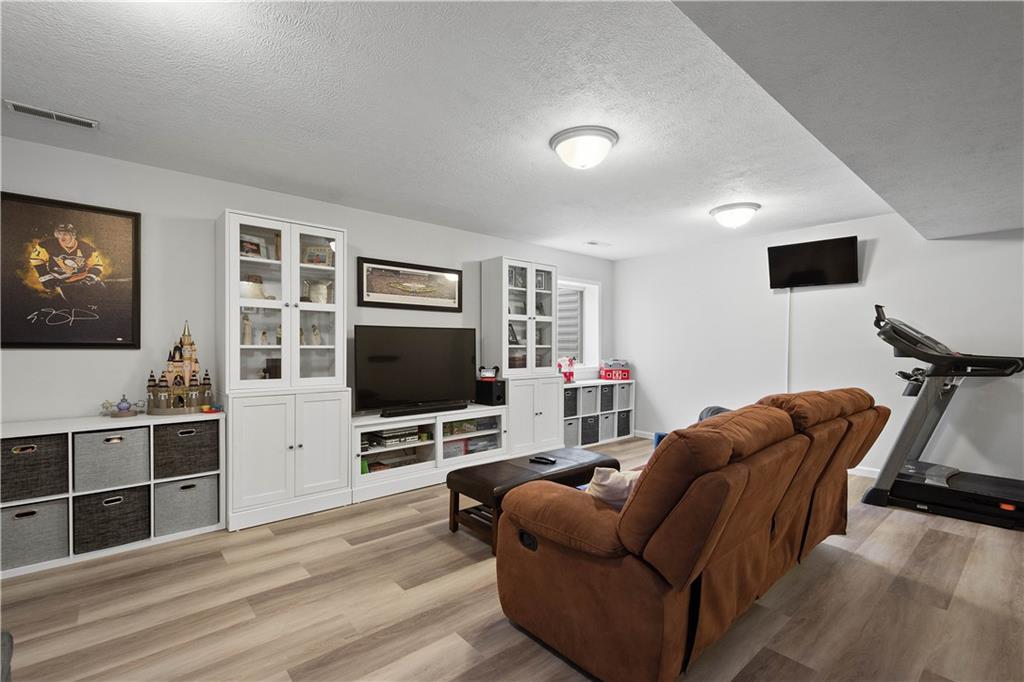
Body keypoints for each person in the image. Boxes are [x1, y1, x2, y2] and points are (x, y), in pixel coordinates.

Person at [29, 223, 104, 300]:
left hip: (81, 280)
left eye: (65, 234)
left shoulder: (86, 248)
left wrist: (90, 277)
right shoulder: (47, 245)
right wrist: (45, 277)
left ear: (73, 235)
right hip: (58, 282)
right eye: (59, 234)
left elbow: (97, 265)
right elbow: (36, 259)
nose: (61, 237)